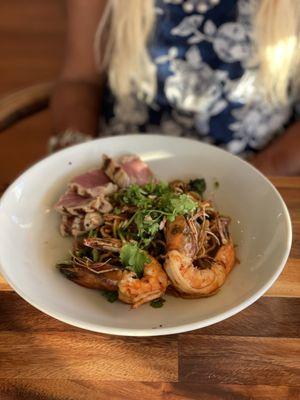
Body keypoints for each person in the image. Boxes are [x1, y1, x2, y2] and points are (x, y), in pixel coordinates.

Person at [50, 0, 300, 175]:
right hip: (123, 163)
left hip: (256, 165)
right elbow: (79, 80)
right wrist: (79, 156)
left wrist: (258, 174)